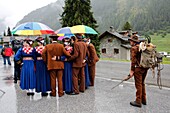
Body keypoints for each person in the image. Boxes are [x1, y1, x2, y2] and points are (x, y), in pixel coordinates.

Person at [128, 35, 149, 107]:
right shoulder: (142, 47)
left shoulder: (134, 48)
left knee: (138, 84)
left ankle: (138, 101)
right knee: (142, 83)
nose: (130, 42)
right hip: (145, 67)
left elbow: (133, 60)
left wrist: (131, 70)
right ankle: (144, 100)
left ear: (133, 42)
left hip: (138, 68)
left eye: (130, 41)